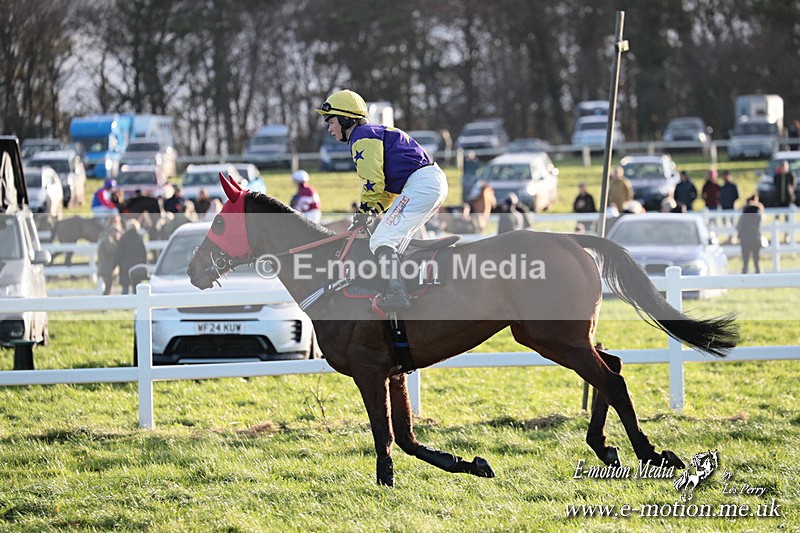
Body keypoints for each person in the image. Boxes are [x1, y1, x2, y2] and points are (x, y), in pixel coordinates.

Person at [315, 89, 447, 310]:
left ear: (347, 119)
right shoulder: (369, 133)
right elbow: (384, 191)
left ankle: (399, 294)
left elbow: (373, 183)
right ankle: (409, 289)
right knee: (394, 241)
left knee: (381, 240)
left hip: (422, 184)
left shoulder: (361, 137)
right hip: (426, 182)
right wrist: (371, 212)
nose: (329, 128)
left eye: (331, 121)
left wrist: (364, 211)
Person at [113, 218, 147, 295]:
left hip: (125, 267)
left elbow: (118, 253)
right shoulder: (139, 238)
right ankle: (136, 306)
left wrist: (114, 265)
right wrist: (144, 266)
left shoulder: (123, 238)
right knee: (136, 290)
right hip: (136, 267)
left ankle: (125, 306)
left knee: (125, 289)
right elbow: (143, 254)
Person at [737, 194, 764, 274]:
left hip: (745, 240)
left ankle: (744, 276)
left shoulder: (744, 214)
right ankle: (758, 274)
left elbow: (739, 226)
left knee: (745, 260)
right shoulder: (757, 214)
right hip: (755, 239)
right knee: (756, 260)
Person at [97, 214, 123, 295]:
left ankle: (106, 303)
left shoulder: (105, 234)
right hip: (107, 267)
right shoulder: (109, 237)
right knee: (108, 287)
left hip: (106, 266)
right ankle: (105, 303)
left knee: (109, 286)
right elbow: (112, 250)